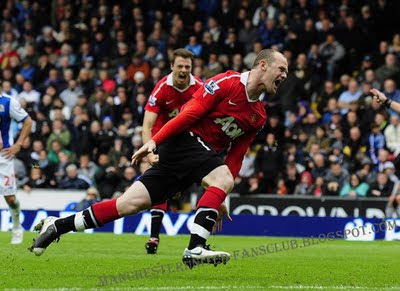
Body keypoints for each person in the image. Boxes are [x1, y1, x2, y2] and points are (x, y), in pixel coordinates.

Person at [30, 49, 288, 268]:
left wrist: (220, 193)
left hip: (198, 159)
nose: (284, 75)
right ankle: (196, 247)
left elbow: (237, 155)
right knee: (222, 178)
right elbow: (188, 114)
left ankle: (58, 225)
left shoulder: (259, 115)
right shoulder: (226, 83)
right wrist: (154, 141)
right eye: (282, 69)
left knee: (127, 205)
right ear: (262, 65)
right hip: (183, 142)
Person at [142, 48, 202, 254]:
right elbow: (147, 126)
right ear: (171, 67)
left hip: (188, 140)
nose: (184, 70)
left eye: (187, 66)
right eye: (180, 66)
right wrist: (149, 153)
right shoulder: (161, 90)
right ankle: (154, 236)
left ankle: (200, 238)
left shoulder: (200, 87)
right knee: (160, 185)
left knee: (208, 178)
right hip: (163, 140)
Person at [0, 92, 32, 244]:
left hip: (3, 156)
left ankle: (17, 227)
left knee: (10, 198)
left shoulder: (8, 102)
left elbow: (28, 122)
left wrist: (18, 144)